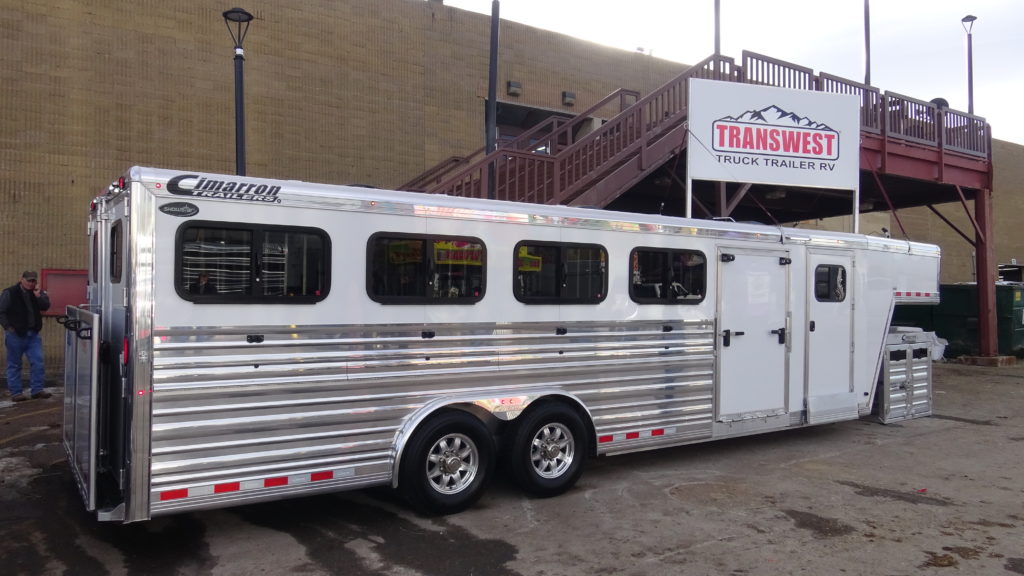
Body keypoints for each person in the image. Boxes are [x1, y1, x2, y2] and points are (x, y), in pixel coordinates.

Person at [0, 271, 51, 402]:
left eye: (33, 281)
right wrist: (7, 327)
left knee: (38, 362)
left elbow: (45, 306)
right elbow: (1, 311)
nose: (30, 283)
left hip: (33, 334)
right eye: (28, 280)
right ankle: (16, 393)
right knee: (15, 364)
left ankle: (37, 390)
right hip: (15, 334)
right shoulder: (10, 292)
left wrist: (39, 295)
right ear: (21, 280)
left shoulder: (37, 293)